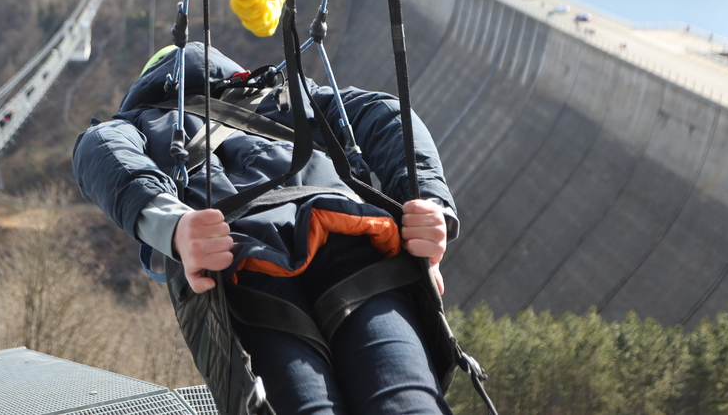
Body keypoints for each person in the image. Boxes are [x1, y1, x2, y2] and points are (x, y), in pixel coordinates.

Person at [74, 43, 459, 414]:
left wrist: (173, 225)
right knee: (407, 401)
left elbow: (98, 153)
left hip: (244, 266)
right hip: (353, 239)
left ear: (144, 88)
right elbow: (382, 113)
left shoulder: (136, 125)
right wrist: (424, 198)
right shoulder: (282, 95)